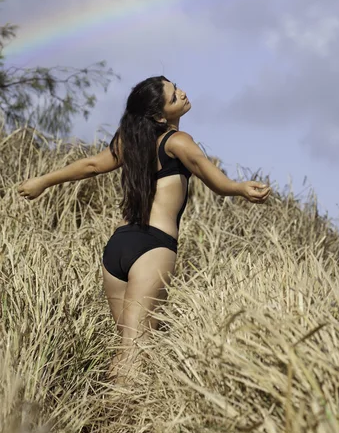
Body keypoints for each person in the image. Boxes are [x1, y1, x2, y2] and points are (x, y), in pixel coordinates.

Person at [17, 76, 271, 383]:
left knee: (133, 343)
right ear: (161, 117)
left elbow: (91, 166)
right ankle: (116, 421)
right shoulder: (178, 141)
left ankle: (125, 415)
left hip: (118, 249)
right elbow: (211, 177)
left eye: (176, 88)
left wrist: (42, 181)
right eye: (174, 96)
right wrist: (240, 188)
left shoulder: (130, 141)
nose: (183, 93)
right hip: (152, 248)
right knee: (133, 349)